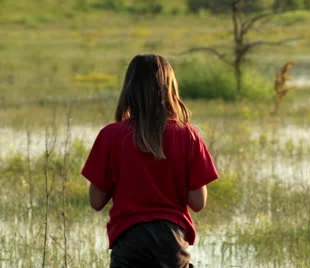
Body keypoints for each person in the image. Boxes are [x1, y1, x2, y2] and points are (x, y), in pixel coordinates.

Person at [81, 54, 219, 268]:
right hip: (171, 241)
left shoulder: (111, 135)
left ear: (128, 90)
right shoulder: (187, 135)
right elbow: (198, 203)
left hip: (128, 240)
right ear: (170, 89)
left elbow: (96, 201)